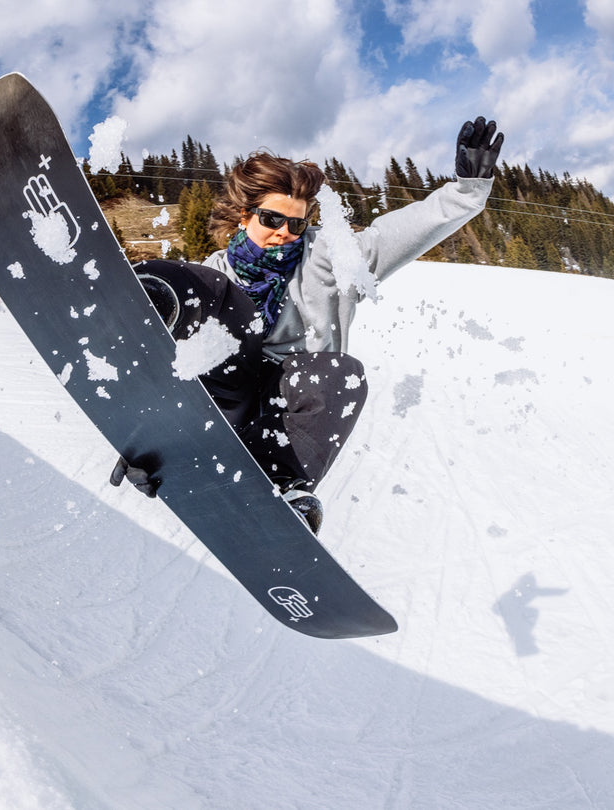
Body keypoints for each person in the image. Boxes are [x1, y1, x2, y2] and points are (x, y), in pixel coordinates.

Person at [112, 117, 504, 532]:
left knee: (342, 375)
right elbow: (174, 361)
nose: (285, 233)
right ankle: (148, 296)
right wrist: (147, 434)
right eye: (271, 220)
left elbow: (395, 233)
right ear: (245, 216)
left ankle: (283, 490)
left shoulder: (331, 258)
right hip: (226, 394)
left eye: (296, 224)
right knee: (211, 287)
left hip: (286, 408)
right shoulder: (217, 272)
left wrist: (467, 190)